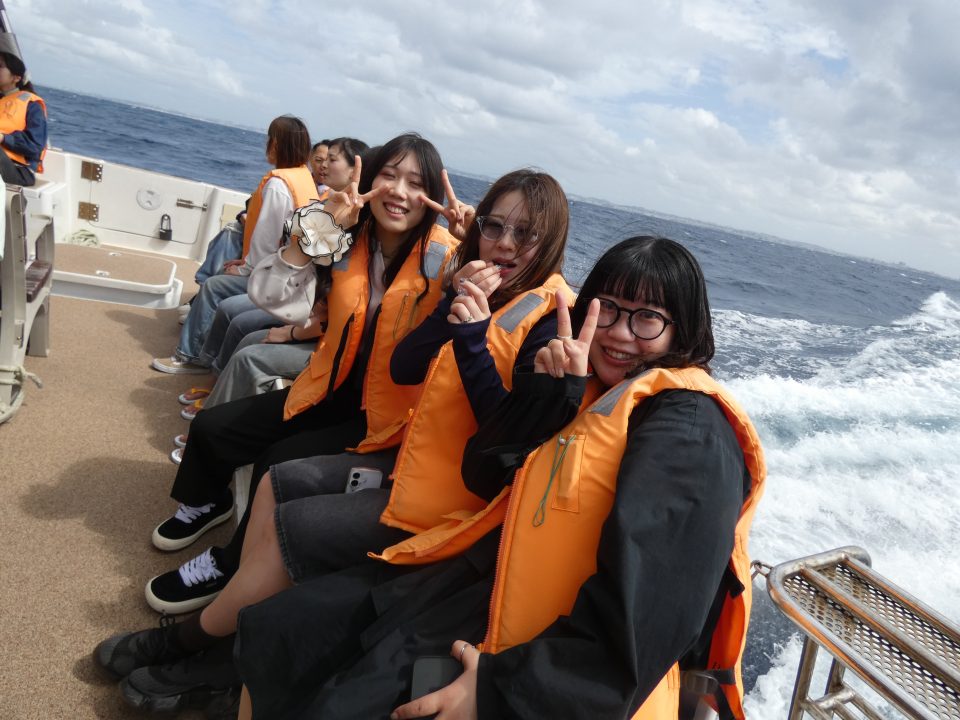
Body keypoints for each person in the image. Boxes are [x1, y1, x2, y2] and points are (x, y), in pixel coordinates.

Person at [92, 169, 573, 713]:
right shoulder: (457, 279)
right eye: (495, 226)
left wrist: (469, 337)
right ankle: (228, 615)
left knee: (297, 525)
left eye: (524, 233)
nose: (504, 243)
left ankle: (195, 645)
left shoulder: (551, 322)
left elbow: (508, 442)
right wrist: (449, 309)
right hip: (404, 455)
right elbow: (405, 365)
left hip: (449, 506)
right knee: (277, 479)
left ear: (550, 241)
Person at [225, 236, 766, 719]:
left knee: (334, 694)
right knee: (281, 629)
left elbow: (647, 620)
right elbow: (485, 474)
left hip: (542, 658)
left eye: (648, 318)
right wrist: (549, 397)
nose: (620, 333)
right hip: (476, 585)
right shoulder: (592, 387)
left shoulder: (689, 429)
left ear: (683, 329)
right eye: (608, 310)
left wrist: (499, 692)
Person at [151, 115, 318, 374]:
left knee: (214, 285)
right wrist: (246, 262)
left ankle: (191, 356)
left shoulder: (278, 185)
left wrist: (245, 269)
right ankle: (204, 342)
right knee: (224, 272)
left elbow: (267, 239)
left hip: (279, 280)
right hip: (293, 273)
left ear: (276, 144)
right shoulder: (303, 179)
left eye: (269, 139)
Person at [0, 51, 47, 187]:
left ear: (16, 78)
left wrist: (3, 138)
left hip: (19, 170)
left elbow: (35, 146)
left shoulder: (32, 105)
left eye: (0, 66)